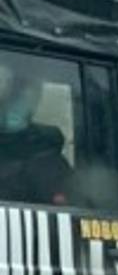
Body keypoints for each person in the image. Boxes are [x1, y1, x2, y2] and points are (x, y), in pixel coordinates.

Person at [0, 70, 72, 207]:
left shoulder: (48, 161)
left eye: (29, 95)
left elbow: (66, 216)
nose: (20, 101)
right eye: (15, 94)